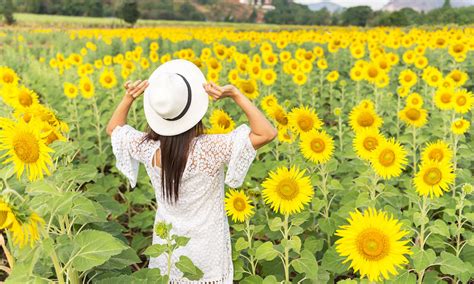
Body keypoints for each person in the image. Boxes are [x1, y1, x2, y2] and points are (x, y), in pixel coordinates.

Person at [105, 59, 277, 283]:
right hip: (207, 252)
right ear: (195, 110)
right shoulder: (210, 149)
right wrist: (236, 94)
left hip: (168, 248)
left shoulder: (148, 148)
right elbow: (266, 133)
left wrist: (128, 97)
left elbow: (114, 129)